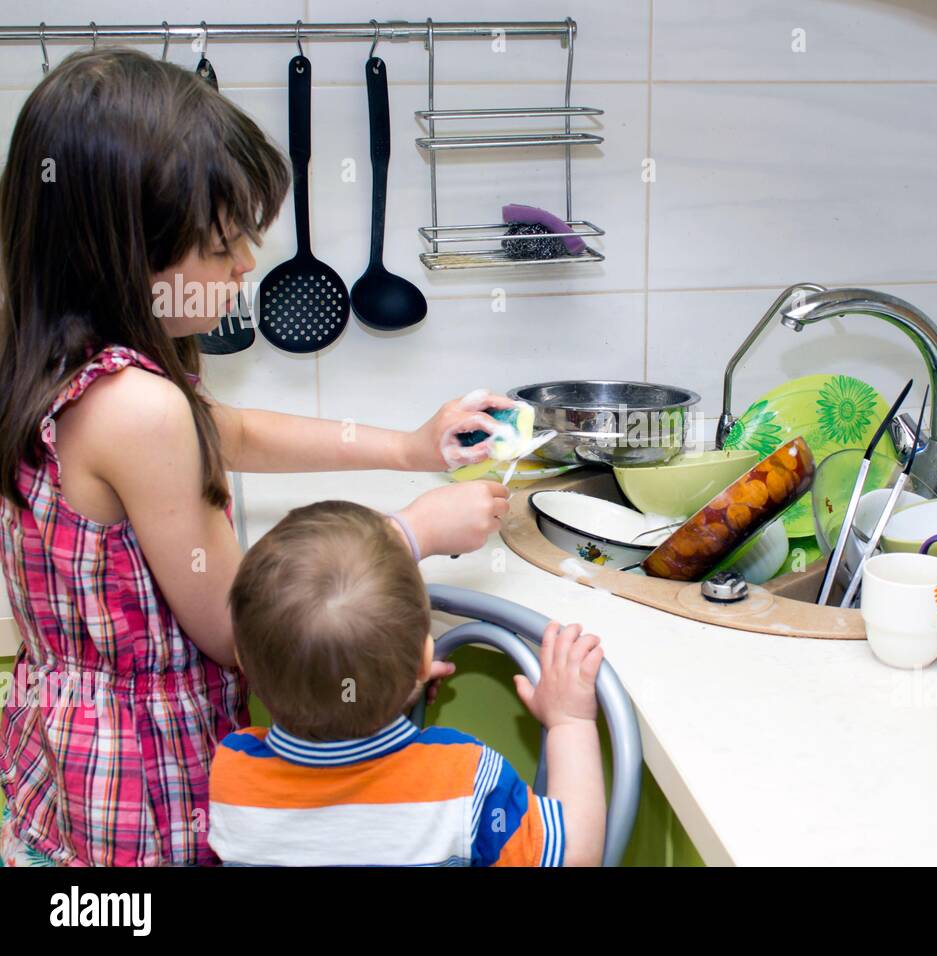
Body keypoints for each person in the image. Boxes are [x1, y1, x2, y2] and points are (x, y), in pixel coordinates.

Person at [0, 49, 510, 866]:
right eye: (220, 243)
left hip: (64, 753)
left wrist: (409, 447)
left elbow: (226, 432)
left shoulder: (61, 360)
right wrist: (410, 534)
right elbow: (247, 631)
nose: (246, 263)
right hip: (145, 784)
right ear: (122, 252)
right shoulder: (139, 408)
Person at [208, 501, 606, 867]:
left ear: (243, 661)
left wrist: (376, 688)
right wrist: (570, 722)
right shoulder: (463, 777)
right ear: (423, 659)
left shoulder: (232, 775)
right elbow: (574, 855)